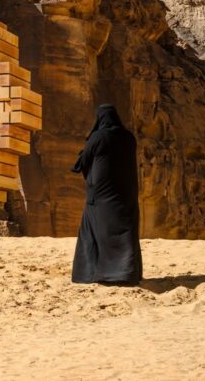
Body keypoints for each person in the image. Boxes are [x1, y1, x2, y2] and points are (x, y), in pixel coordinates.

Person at [71, 104, 142, 285]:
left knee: (93, 233)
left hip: (101, 198)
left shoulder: (99, 137)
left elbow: (82, 162)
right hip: (126, 197)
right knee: (126, 235)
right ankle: (126, 274)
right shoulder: (129, 138)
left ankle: (90, 274)